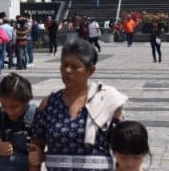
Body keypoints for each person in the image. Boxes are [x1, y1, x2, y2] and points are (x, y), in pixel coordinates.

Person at [30, 39, 127, 170]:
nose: (67, 70)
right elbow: (35, 149)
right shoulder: (49, 104)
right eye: (64, 65)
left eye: (75, 67)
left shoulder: (107, 101)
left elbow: (125, 150)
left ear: (91, 70)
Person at [0, 73, 37, 170]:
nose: (9, 111)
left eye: (14, 107)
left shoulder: (36, 119)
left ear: (27, 100)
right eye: (4, 106)